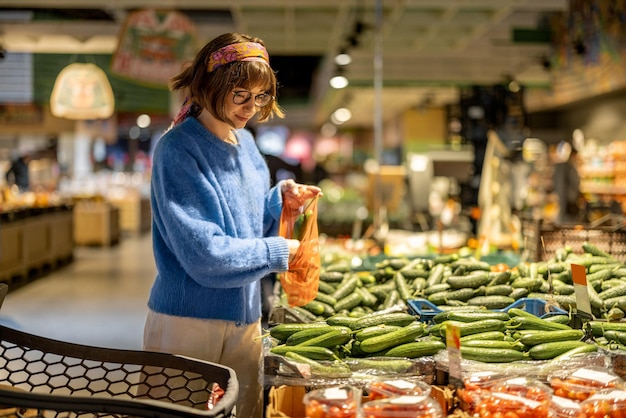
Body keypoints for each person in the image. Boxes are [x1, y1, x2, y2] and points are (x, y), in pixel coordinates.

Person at [142, 33, 321, 418]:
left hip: (245, 317)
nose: (251, 107)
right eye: (240, 94)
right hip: (188, 323)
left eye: (260, 97)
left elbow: (249, 219)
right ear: (211, 85)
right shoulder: (178, 149)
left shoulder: (246, 145)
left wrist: (280, 199)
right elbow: (204, 254)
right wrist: (278, 252)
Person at [552, 142, 581, 224]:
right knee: (568, 220)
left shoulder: (567, 167)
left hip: (567, 199)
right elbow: (575, 183)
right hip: (569, 199)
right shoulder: (569, 168)